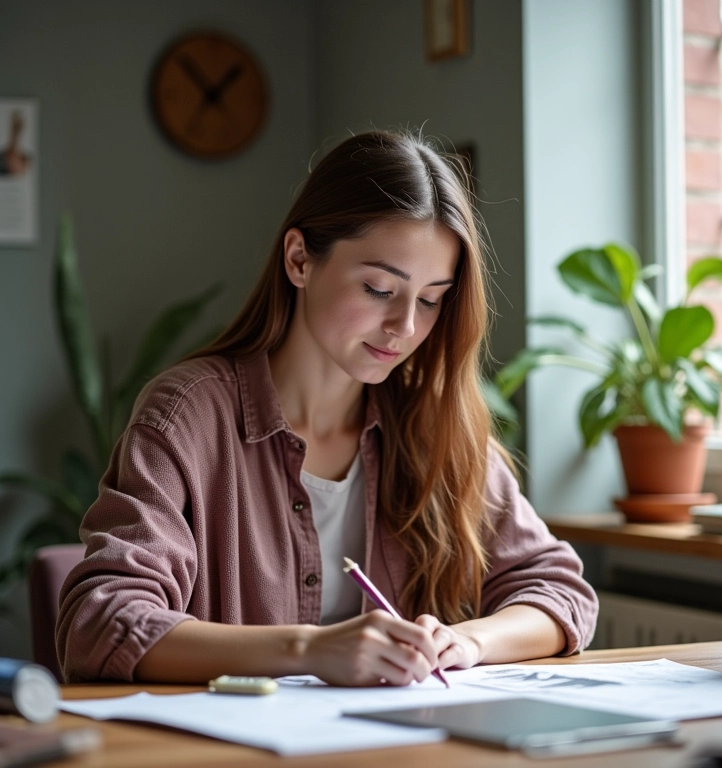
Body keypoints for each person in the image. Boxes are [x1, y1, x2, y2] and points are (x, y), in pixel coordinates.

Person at [56, 130, 598, 686]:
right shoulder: (188, 417)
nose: (406, 326)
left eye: (431, 299)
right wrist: (309, 650)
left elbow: (558, 589)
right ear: (299, 259)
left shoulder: (434, 423)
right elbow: (101, 622)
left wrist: (469, 641)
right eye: (379, 289)